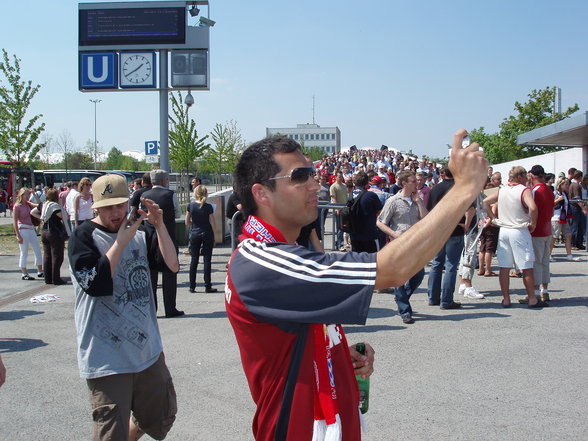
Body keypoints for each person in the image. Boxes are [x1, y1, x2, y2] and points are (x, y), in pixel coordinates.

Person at [226, 130, 487, 441]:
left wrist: (335, 355)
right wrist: (464, 188)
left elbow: (285, 344)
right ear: (262, 193)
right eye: (301, 176)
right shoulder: (260, 262)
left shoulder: (278, 252)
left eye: (313, 173)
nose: (315, 183)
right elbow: (393, 270)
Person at [68, 174, 179, 441]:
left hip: (147, 352)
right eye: (108, 207)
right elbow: (96, 284)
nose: (116, 212)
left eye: (120, 205)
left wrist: (160, 226)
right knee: (110, 432)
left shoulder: (140, 232)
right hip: (107, 358)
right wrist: (120, 242)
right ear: (95, 206)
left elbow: (172, 266)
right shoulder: (83, 237)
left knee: (161, 414)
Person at [483, 166, 548, 308]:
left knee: (504, 267)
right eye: (525, 176)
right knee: (526, 266)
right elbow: (533, 207)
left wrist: (494, 219)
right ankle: (532, 298)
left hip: (504, 230)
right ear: (519, 177)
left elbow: (485, 201)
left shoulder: (502, 190)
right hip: (519, 230)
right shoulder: (524, 190)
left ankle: (506, 299)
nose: (527, 179)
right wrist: (533, 223)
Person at [376, 170, 428, 324]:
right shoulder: (393, 201)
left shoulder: (417, 199)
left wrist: (419, 202)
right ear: (404, 183)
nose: (417, 183)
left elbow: (426, 219)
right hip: (399, 244)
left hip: (415, 244)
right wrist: (394, 234)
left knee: (418, 275)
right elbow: (380, 222)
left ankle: (401, 297)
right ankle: (405, 310)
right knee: (400, 278)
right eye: (413, 181)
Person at [142, 170, 183, 318]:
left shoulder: (144, 196)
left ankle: (152, 308)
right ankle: (170, 307)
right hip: (168, 236)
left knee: (151, 273)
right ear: (165, 181)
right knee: (170, 273)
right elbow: (178, 213)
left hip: (149, 237)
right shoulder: (170, 195)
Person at [426, 167, 467, 309]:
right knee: (450, 265)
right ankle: (446, 300)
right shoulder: (458, 189)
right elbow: (468, 208)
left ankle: (433, 297)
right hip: (454, 230)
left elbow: (429, 210)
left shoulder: (435, 189)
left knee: (437, 263)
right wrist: (466, 224)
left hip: (438, 230)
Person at [527, 165, 555, 302]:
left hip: (537, 230)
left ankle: (536, 291)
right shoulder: (549, 190)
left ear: (532, 176)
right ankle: (545, 290)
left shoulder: (534, 191)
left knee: (536, 262)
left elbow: (532, 210)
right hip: (547, 228)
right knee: (545, 261)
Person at [186, 185, 218, 293]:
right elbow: (213, 223)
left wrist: (194, 224)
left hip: (195, 232)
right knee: (207, 260)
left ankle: (192, 286)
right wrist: (215, 236)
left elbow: (187, 222)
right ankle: (207, 285)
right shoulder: (209, 207)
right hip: (207, 232)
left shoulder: (190, 206)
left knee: (194, 259)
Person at [40, 188, 70, 285]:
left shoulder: (44, 205)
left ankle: (48, 278)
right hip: (54, 232)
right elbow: (64, 216)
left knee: (47, 255)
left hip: (44, 231)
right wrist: (61, 205)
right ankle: (56, 278)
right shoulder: (55, 206)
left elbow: (33, 212)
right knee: (57, 256)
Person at [13, 187, 43, 280]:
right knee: (24, 252)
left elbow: (40, 205)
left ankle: (40, 271)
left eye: (28, 195)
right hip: (23, 229)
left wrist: (34, 195)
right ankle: (24, 273)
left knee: (37, 250)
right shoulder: (17, 206)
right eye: (26, 194)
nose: (27, 196)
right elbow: (15, 221)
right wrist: (18, 235)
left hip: (31, 228)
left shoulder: (28, 204)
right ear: (21, 195)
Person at [349, 171, 383, 253]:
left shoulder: (351, 195)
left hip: (354, 234)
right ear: (367, 182)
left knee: (357, 261)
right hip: (369, 235)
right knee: (371, 261)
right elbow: (380, 211)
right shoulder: (371, 195)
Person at [478, 172, 501, 277]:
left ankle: (481, 269)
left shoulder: (480, 196)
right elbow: (494, 212)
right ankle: (487, 270)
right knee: (489, 249)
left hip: (481, 223)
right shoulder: (492, 199)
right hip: (491, 225)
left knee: (482, 248)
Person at [329, 171, 347, 251]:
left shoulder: (344, 186)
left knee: (343, 227)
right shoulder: (333, 187)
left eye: (341, 176)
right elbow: (334, 198)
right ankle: (340, 244)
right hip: (338, 210)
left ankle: (340, 243)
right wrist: (337, 209)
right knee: (339, 228)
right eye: (339, 176)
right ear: (336, 177)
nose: (340, 178)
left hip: (344, 209)